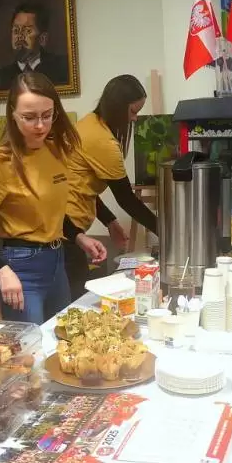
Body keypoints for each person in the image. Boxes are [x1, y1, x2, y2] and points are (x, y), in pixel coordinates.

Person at [0, 72, 107, 324]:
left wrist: (79, 236)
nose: (40, 126)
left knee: (61, 336)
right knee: (30, 343)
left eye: (47, 115)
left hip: (57, 262)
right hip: (20, 268)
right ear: (12, 114)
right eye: (29, 117)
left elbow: (49, 209)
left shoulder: (56, 151)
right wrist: (1, 270)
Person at [64, 74, 159, 300]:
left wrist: (110, 221)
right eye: (133, 112)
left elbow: (83, 187)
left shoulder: (89, 122)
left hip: (67, 226)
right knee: (76, 300)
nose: (134, 119)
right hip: (67, 231)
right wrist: (166, 232)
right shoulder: (103, 141)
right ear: (117, 107)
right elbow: (126, 199)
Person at [0, 3, 69, 91]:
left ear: (42, 38)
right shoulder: (2, 77)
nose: (20, 36)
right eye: (16, 30)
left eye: (27, 31)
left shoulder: (61, 68)